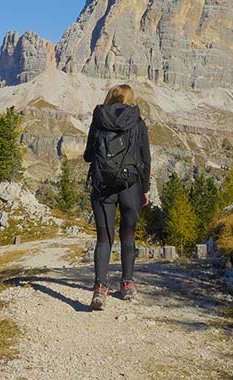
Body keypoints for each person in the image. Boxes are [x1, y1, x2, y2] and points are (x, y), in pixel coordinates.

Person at [83, 84, 151, 311]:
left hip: (103, 185)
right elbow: (146, 158)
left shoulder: (99, 118)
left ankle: (100, 289)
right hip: (131, 185)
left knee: (104, 238)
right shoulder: (137, 121)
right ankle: (127, 284)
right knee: (128, 235)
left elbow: (87, 156)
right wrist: (146, 189)